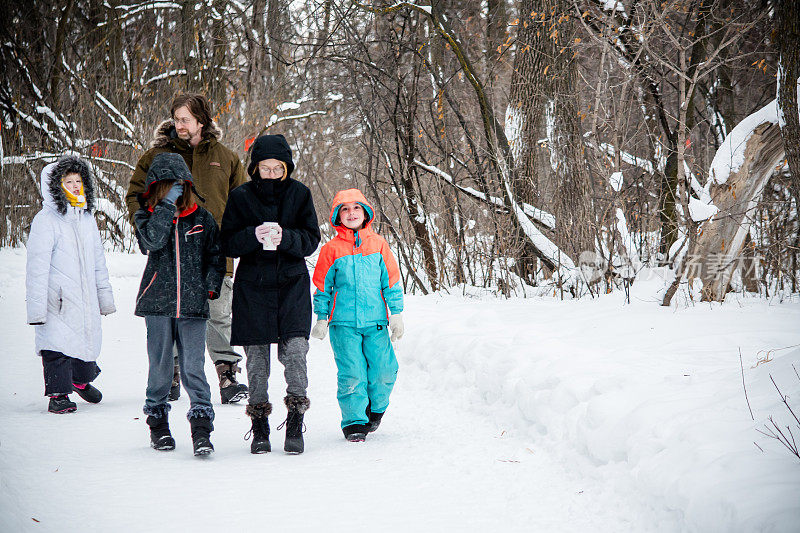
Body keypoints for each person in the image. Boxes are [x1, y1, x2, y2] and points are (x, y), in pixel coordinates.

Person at [125, 93, 248, 404]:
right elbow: (135, 195)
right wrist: (147, 226)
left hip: (213, 252)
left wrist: (232, 240)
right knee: (172, 312)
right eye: (176, 118)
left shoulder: (225, 156)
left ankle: (227, 373)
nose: (178, 124)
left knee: (218, 314)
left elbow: (242, 201)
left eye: (185, 119)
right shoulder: (156, 156)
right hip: (169, 252)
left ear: (201, 121)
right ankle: (172, 373)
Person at [220, 134, 320, 454]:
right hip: (253, 287)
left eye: (278, 168)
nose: (273, 173)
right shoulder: (240, 197)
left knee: (295, 353)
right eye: (266, 168)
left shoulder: (300, 194)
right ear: (255, 168)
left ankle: (294, 419)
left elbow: (310, 240)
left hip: (292, 285)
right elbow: (228, 243)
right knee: (258, 362)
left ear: (287, 167)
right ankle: (259, 423)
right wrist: (253, 235)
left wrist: (286, 237)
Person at [133, 153, 225, 456]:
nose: (175, 189)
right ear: (156, 188)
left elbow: (216, 255)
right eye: (167, 185)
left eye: (179, 185)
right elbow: (152, 242)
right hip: (157, 304)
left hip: (193, 306)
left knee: (192, 367)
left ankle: (201, 428)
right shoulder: (146, 217)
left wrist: (211, 285)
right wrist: (165, 209)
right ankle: (158, 423)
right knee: (160, 367)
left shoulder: (202, 217)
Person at [310, 189, 404, 442]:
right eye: (345, 209)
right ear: (337, 216)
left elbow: (392, 282)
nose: (351, 213)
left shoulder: (379, 244)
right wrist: (321, 318)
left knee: (385, 370)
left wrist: (396, 314)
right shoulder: (331, 249)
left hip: (376, 323)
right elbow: (322, 287)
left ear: (366, 213)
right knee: (353, 373)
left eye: (356, 208)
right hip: (343, 325)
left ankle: (375, 409)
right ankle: (354, 421)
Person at [26, 156, 116, 413]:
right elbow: (36, 268)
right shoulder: (46, 220)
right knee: (56, 346)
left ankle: (80, 380)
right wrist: (36, 309)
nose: (76, 186)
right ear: (56, 185)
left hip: (84, 299)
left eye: (79, 181)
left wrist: (104, 297)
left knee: (85, 341)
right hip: (57, 300)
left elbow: (98, 261)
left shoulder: (87, 219)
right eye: (69, 182)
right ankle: (58, 394)